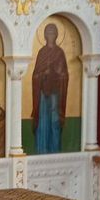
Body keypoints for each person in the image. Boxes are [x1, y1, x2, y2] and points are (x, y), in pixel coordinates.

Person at [32, 23, 69, 154]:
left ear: (57, 35)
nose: (51, 35)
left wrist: (55, 73)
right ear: (45, 35)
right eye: (48, 32)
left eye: (53, 32)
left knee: (54, 121)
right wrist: (43, 74)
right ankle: (42, 150)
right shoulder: (41, 53)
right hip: (43, 93)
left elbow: (64, 74)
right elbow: (35, 75)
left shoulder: (60, 53)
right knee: (43, 122)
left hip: (55, 93)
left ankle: (55, 151)